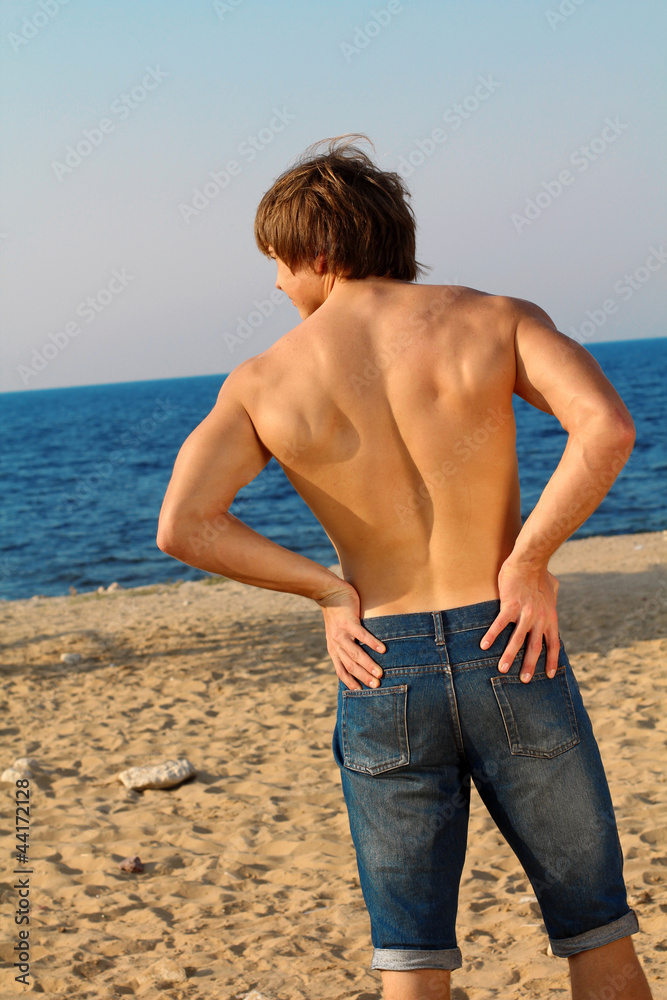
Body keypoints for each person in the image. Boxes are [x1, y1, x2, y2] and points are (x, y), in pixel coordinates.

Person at [156, 136, 652, 1000]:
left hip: (381, 665)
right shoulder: (494, 317)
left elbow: (185, 526)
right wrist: (529, 560)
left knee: (411, 965)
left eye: (276, 263)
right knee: (597, 941)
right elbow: (605, 428)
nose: (275, 285)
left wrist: (326, 591)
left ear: (317, 253)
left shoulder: (264, 378)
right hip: (510, 644)